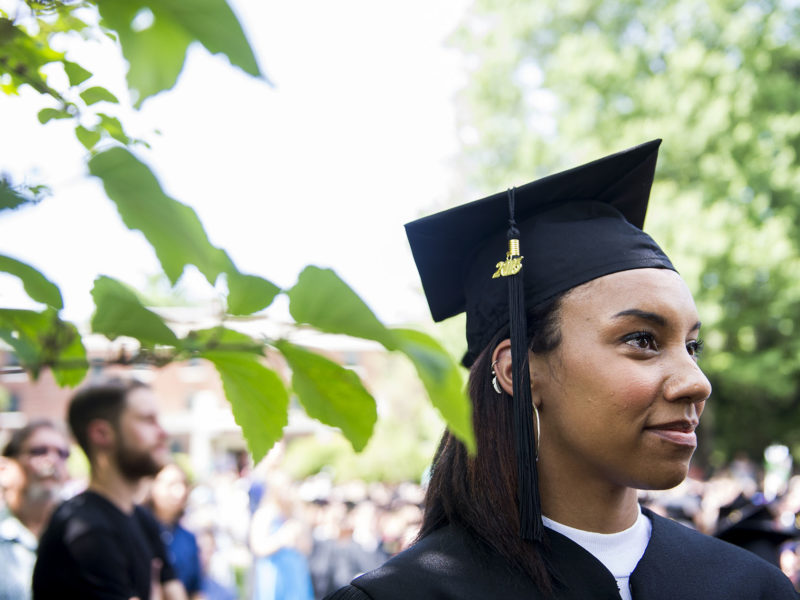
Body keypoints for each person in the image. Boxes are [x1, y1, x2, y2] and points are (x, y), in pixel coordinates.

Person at [324, 140, 798, 599]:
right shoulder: (409, 595)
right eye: (642, 340)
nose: (697, 382)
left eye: (692, 346)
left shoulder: (750, 588)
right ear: (518, 372)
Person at [32, 378, 187, 600]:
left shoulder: (143, 519)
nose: (163, 432)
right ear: (101, 434)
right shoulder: (84, 529)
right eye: (147, 420)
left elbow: (175, 590)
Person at [0, 420, 70, 600]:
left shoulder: (80, 535)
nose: (53, 461)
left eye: (62, 454)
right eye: (39, 451)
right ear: (4, 468)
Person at [146, 463, 203, 599]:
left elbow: (196, 588)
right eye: (171, 485)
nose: (180, 491)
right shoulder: (140, 531)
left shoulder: (189, 538)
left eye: (183, 484)